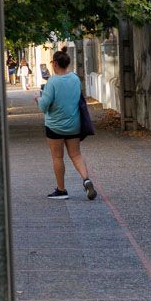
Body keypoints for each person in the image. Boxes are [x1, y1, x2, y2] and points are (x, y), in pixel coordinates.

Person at [39, 48, 97, 201]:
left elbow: (44, 106)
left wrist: (38, 100)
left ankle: (61, 190)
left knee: (57, 157)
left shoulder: (52, 82)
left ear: (55, 64)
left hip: (54, 126)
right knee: (76, 154)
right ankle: (86, 180)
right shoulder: (75, 79)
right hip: (74, 125)